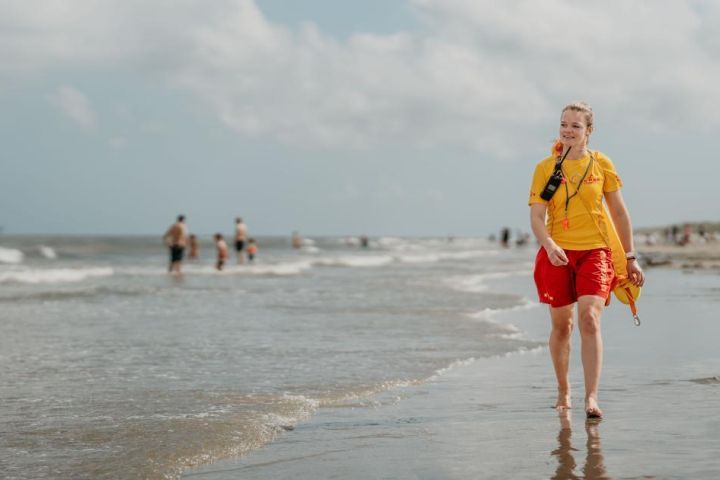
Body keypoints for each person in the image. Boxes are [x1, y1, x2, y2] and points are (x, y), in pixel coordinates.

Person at [528, 101, 645, 419]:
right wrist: (549, 244)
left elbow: (620, 213)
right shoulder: (545, 168)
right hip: (557, 254)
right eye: (563, 124)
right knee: (562, 326)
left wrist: (630, 257)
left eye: (575, 126)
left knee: (590, 319)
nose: (567, 130)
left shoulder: (601, 164)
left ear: (589, 132)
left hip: (596, 251)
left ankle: (591, 397)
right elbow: (537, 216)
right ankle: (563, 390)